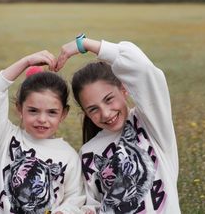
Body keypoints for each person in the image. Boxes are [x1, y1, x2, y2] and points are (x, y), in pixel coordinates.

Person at [55, 35, 180, 213]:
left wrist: (84, 44)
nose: (105, 113)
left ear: (124, 89)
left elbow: (143, 69)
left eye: (109, 99)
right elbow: (95, 204)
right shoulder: (88, 152)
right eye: (93, 109)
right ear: (85, 113)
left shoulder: (151, 124)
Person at [0, 50, 86, 214]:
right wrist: (26, 62)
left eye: (52, 112)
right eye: (33, 111)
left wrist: (64, 211)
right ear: (19, 109)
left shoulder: (69, 156)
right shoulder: (4, 139)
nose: (42, 119)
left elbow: (75, 198)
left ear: (63, 114)